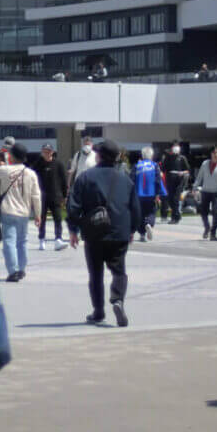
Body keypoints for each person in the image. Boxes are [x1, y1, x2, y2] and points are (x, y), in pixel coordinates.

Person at [67, 139, 141, 327]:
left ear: (98, 156)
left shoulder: (85, 177)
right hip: (119, 231)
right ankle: (117, 299)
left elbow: (73, 205)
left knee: (96, 273)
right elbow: (135, 208)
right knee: (119, 270)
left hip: (94, 232)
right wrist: (132, 229)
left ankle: (98, 311)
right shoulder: (125, 178)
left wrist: (73, 230)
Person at [0, 141, 42, 282]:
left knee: (9, 241)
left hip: (8, 210)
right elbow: (36, 195)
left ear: (11, 156)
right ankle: (21, 269)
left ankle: (13, 271)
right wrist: (38, 214)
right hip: (24, 212)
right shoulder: (30, 173)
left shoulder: (3, 170)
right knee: (22, 241)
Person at [33, 143, 68, 251]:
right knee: (41, 219)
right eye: (44, 151)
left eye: (48, 151)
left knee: (58, 218)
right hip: (41, 196)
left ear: (52, 152)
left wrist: (65, 195)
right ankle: (41, 239)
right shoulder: (37, 164)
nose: (46, 153)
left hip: (56, 195)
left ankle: (58, 238)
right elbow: (32, 179)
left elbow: (64, 181)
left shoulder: (58, 164)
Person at [132, 145, 164, 241]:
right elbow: (158, 180)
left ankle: (142, 234)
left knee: (140, 213)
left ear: (142, 155)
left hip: (138, 194)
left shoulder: (137, 166)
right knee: (151, 211)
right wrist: (158, 193)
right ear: (151, 155)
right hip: (151, 194)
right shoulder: (154, 166)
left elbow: (131, 180)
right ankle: (149, 223)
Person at [161, 142, 189, 224]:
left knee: (176, 199)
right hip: (170, 179)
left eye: (177, 146)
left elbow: (187, 169)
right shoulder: (168, 158)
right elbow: (163, 168)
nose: (176, 148)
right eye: (174, 146)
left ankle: (175, 217)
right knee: (170, 199)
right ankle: (177, 214)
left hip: (179, 180)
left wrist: (182, 173)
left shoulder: (182, 158)